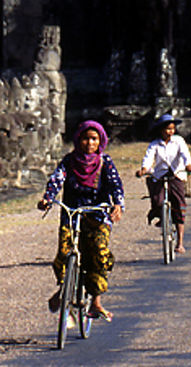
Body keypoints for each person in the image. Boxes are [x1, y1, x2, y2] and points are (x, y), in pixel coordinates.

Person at [37, 119, 124, 322]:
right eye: (85, 138)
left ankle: (96, 301)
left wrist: (118, 205)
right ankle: (64, 290)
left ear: (100, 141)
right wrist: (48, 199)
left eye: (94, 139)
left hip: (98, 215)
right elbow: (57, 179)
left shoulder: (105, 162)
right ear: (78, 139)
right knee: (64, 253)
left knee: (98, 253)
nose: (89, 143)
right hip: (72, 213)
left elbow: (115, 185)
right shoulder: (69, 161)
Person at [135, 113, 191, 254]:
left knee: (179, 205)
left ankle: (180, 242)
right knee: (157, 201)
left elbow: (185, 154)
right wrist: (144, 169)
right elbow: (148, 158)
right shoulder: (155, 144)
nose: (170, 131)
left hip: (176, 175)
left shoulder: (178, 141)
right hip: (160, 175)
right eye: (167, 129)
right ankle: (162, 217)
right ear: (161, 130)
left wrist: (188, 165)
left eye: (172, 128)